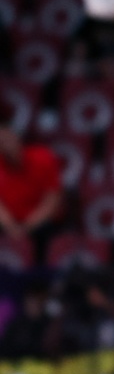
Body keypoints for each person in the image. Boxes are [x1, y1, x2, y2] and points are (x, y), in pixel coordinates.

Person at [0, 99, 62, 264]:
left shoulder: (43, 157)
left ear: (18, 138)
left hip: (39, 222)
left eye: (8, 139)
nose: (5, 144)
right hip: (9, 223)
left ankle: (42, 275)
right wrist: (11, 226)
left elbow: (52, 199)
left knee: (47, 233)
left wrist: (29, 226)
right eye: (1, 142)